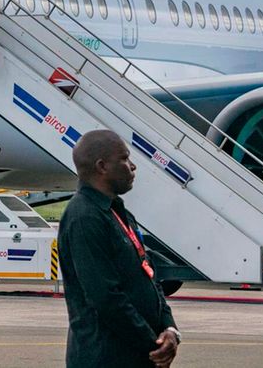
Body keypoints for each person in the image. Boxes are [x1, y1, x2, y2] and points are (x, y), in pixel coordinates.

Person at [58, 130, 180, 368]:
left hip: (136, 355)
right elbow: (105, 297)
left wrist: (169, 328)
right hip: (106, 357)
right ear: (102, 166)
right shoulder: (84, 218)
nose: (132, 166)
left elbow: (149, 275)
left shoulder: (118, 212)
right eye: (124, 159)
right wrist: (153, 344)